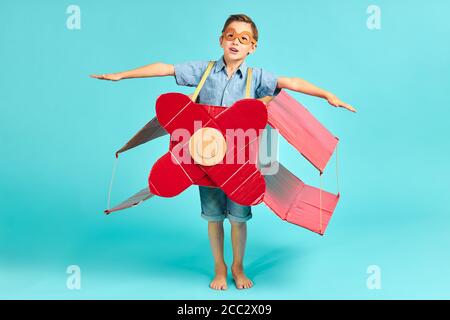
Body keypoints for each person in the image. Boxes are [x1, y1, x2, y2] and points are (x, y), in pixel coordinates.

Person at [91, 14, 356, 291]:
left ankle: (237, 267)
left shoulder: (258, 78)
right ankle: (219, 267)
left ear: (252, 47)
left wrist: (327, 95)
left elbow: (293, 82)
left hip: (237, 163)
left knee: (239, 219)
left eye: (244, 39)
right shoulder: (203, 71)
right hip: (202, 159)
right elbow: (164, 68)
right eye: (231, 36)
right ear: (221, 40)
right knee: (214, 216)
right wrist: (123, 75)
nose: (236, 42)